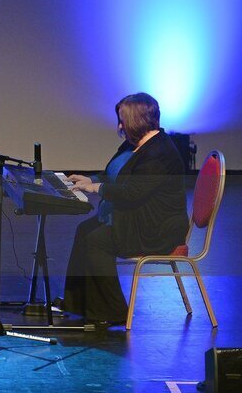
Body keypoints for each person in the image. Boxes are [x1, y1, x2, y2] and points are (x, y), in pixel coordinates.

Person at [56, 92, 188, 326]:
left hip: (154, 229)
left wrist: (95, 187)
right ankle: (77, 303)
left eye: (122, 120)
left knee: (96, 241)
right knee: (84, 230)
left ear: (136, 121)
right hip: (133, 219)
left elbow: (131, 192)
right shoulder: (134, 145)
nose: (119, 126)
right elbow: (114, 175)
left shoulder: (159, 154)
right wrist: (89, 179)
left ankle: (114, 311)